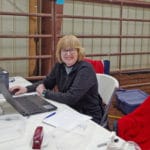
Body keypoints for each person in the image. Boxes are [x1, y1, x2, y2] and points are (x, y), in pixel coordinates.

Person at [9, 35, 104, 124]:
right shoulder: (60, 66)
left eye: (72, 50)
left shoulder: (85, 69)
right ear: (60, 52)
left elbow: (71, 98)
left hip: (88, 116)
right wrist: (26, 89)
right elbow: (47, 83)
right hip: (69, 111)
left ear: (78, 52)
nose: (68, 54)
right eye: (64, 50)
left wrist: (45, 93)